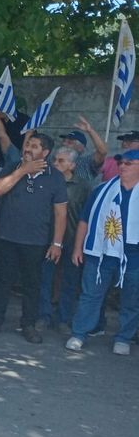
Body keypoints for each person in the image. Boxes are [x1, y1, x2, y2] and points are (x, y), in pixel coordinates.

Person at [0, 124, 67, 343]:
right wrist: (22, 171)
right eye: (28, 145)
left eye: (34, 146)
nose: (29, 148)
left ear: (45, 153)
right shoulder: (12, 166)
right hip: (7, 236)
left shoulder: (55, 177)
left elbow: (60, 213)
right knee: (3, 281)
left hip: (36, 241)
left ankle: (28, 325)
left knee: (32, 284)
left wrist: (57, 243)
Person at [66, 149, 139, 355]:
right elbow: (84, 220)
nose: (122, 166)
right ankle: (79, 333)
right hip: (100, 253)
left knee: (131, 298)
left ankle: (124, 337)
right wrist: (78, 247)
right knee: (90, 295)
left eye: (129, 163)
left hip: (133, 256)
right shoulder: (102, 190)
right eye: (121, 163)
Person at [39, 147, 89, 333]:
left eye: (61, 161)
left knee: (70, 281)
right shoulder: (46, 181)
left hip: (73, 240)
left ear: (72, 165)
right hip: (47, 238)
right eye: (55, 160)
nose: (55, 164)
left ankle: (64, 319)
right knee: (45, 279)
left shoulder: (83, 186)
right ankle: (43, 316)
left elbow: (86, 216)